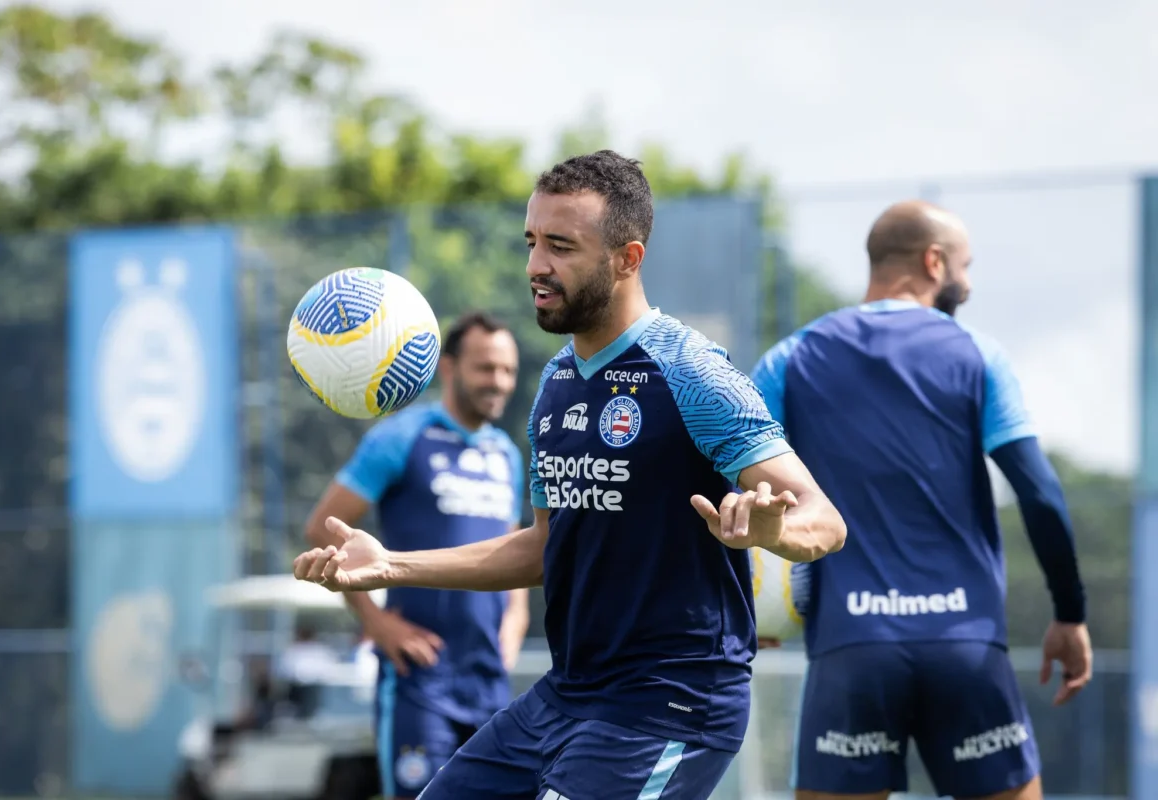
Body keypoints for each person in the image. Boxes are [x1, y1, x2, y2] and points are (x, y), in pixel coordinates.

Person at [294, 150, 847, 800]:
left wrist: (771, 530)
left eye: (560, 246)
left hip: (670, 704)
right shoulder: (557, 382)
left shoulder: (692, 372)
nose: (535, 266)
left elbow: (824, 520)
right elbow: (543, 548)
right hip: (568, 694)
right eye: (531, 242)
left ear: (627, 258)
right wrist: (392, 566)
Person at [750, 200, 1093, 800]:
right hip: (963, 643)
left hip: (852, 647)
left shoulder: (790, 358)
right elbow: (1039, 492)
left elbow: (744, 488)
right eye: (966, 265)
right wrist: (1069, 613)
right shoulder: (977, 354)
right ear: (934, 262)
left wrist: (753, 607)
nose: (969, 282)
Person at [303, 311, 531, 800]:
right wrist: (376, 624)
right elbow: (323, 529)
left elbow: (517, 552)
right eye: (486, 368)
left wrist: (513, 625)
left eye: (508, 371)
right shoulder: (402, 436)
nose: (499, 383)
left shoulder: (507, 456)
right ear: (449, 368)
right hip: (419, 682)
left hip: (489, 685)